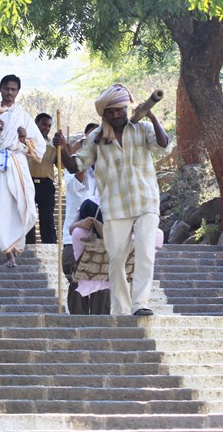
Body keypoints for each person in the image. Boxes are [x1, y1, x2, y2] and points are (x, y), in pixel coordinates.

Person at [62, 83, 172, 316]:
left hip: (146, 202)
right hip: (114, 206)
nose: (115, 115)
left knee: (145, 252)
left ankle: (140, 303)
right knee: (116, 258)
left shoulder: (141, 129)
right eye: (110, 112)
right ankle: (121, 309)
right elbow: (75, 165)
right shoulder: (97, 137)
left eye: (119, 110)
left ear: (126, 108)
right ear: (104, 114)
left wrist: (151, 114)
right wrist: (62, 148)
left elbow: (164, 146)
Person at [0, 74, 45, 267]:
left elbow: (37, 146)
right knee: (2, 207)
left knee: (26, 207)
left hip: (18, 163)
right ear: (0, 89)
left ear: (18, 92)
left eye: (14, 89)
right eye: (7, 89)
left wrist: (24, 140)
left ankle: (16, 242)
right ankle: (8, 252)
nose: (10, 92)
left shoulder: (22, 115)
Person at [61, 123, 99, 245]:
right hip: (73, 239)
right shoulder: (72, 165)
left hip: (100, 239)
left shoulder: (108, 168)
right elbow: (76, 186)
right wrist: (83, 158)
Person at [26, 113, 59, 244]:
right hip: (29, 183)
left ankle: (50, 247)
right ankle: (28, 247)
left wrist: (61, 148)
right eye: (44, 124)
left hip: (46, 185)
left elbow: (60, 165)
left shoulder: (53, 145)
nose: (47, 128)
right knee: (28, 218)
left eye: (49, 125)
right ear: (36, 124)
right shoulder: (27, 142)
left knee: (47, 220)